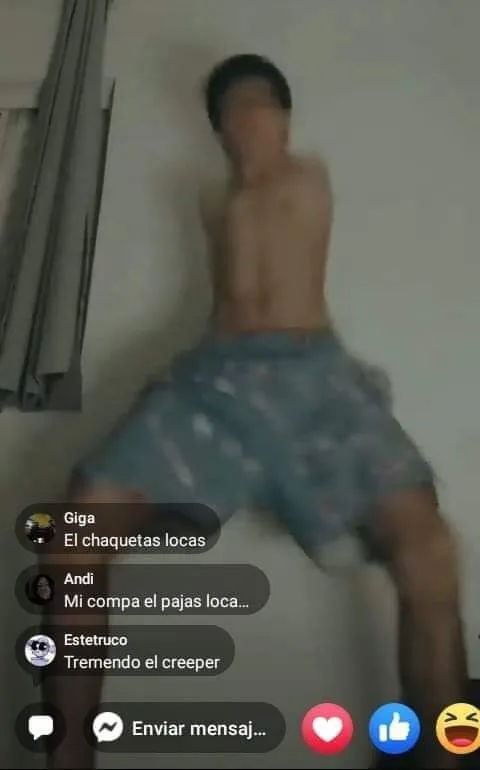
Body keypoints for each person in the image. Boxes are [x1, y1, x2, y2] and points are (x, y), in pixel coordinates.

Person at [45, 54, 465, 768]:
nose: (249, 117)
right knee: (72, 535)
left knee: (430, 551)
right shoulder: (210, 200)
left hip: (314, 377)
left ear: (285, 119)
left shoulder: (309, 178)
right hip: (216, 378)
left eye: (261, 103)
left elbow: (273, 184)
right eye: (233, 107)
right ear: (218, 128)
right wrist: (171, 387)